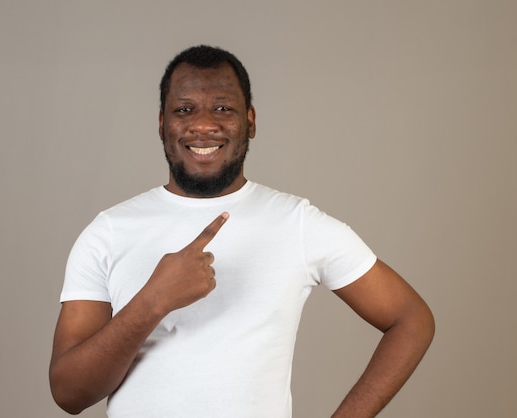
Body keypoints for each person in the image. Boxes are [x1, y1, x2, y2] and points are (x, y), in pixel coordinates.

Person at [49, 45, 434, 418]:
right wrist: (153, 300)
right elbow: (69, 394)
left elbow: (411, 320)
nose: (203, 124)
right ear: (161, 123)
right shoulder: (109, 232)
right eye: (184, 109)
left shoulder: (297, 223)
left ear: (249, 121)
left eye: (222, 108)